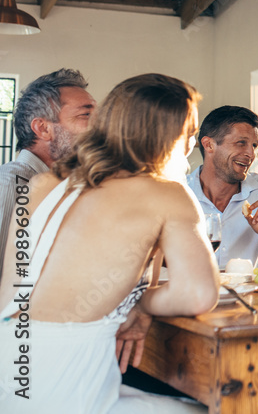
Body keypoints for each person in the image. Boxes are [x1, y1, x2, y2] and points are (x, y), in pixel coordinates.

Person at [0, 73, 219, 413]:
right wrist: (142, 305)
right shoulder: (167, 194)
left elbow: (11, 293)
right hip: (69, 385)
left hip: (12, 371)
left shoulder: (43, 184)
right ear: (178, 137)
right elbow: (199, 294)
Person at [0, 68, 95, 275]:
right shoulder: (13, 184)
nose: (99, 125)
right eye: (86, 115)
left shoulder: (67, 185)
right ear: (43, 129)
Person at [187, 106, 258, 265]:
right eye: (241, 143)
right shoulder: (177, 193)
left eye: (254, 145)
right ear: (209, 145)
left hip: (251, 290)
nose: (251, 154)